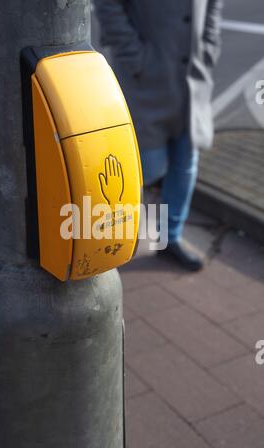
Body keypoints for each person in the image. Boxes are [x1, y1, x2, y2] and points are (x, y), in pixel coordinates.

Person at [95, 0, 223, 271]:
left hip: (192, 77)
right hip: (146, 79)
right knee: (143, 169)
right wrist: (134, 56)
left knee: (186, 163)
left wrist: (209, 45)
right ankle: (112, 240)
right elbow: (108, 5)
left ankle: (170, 238)